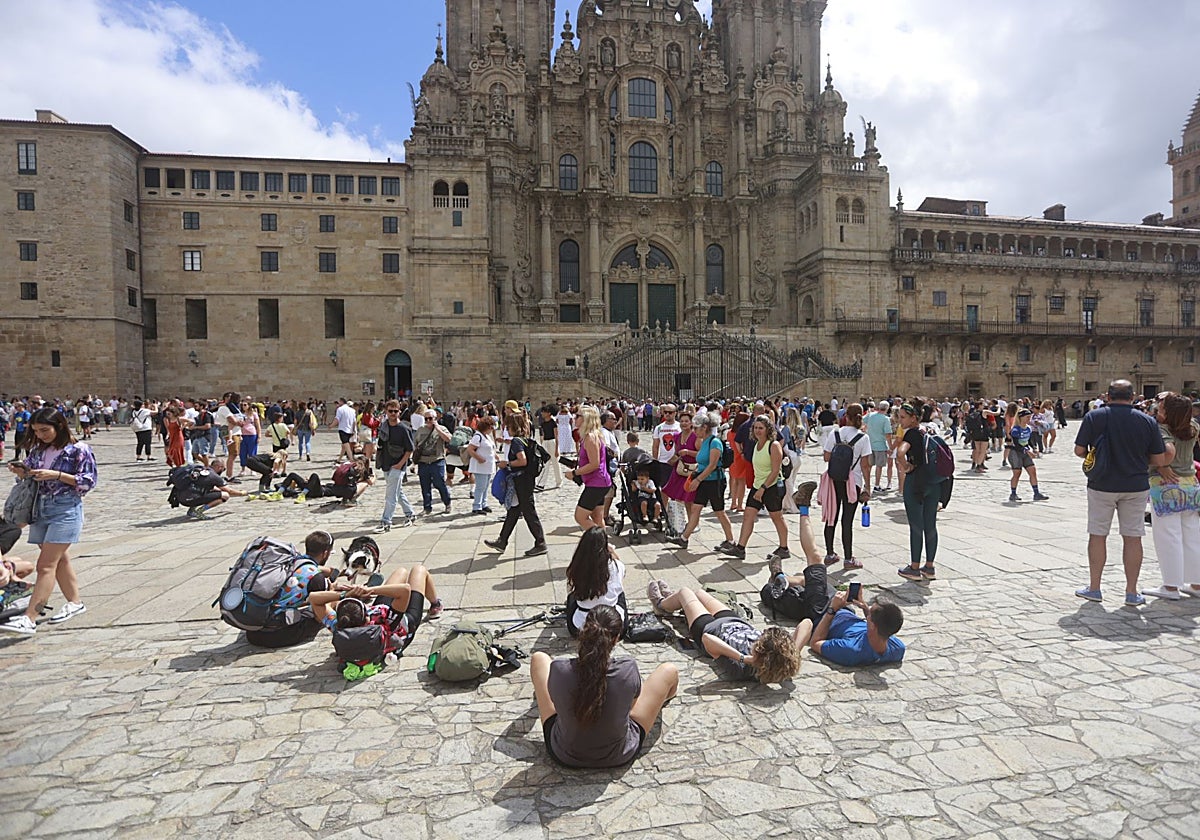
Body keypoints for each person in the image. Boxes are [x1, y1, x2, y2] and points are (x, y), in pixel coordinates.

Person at [530, 605, 677, 768]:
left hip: (564, 754)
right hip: (619, 754)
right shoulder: (627, 668)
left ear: (583, 632)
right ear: (616, 638)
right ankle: (667, 698)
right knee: (668, 670)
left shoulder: (559, 669)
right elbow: (631, 709)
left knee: (539, 659)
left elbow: (555, 702)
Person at [0, 409, 98, 636]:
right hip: (40, 508)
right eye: (36, 431)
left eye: (45, 430)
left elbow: (88, 481)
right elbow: (32, 475)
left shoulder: (78, 450)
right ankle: (75, 602)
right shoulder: (38, 449)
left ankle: (30, 617)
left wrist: (56, 475)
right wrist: (23, 472)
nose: (41, 435)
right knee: (60, 559)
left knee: (46, 566)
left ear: (60, 426)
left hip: (65, 509)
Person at [1073, 380, 1168, 606]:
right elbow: (1157, 458)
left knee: (1098, 534)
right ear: (1133, 396)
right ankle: (1131, 592)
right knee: (1133, 537)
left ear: (1107, 396)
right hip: (1135, 485)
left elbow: (1079, 450)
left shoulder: (1095, 417)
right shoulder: (1147, 421)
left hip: (1101, 484)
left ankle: (1094, 588)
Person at [646, 582, 805, 684]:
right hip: (734, 623)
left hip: (709, 628)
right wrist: (793, 653)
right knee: (700, 593)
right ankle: (674, 601)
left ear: (761, 653)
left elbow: (708, 640)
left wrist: (744, 658)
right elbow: (807, 624)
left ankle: (660, 605)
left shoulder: (741, 668)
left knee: (684, 591)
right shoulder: (782, 662)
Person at [308, 563, 444, 670]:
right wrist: (369, 590)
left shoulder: (338, 627)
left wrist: (343, 595)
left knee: (401, 572)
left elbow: (314, 599)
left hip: (387, 619)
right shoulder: (384, 619)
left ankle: (434, 603)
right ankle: (435, 604)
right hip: (403, 623)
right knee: (418, 570)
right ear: (367, 615)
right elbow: (405, 590)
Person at [1142, 392, 1200, 600]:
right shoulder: (1192, 426)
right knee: (1193, 536)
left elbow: (1168, 450)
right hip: (1192, 485)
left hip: (1167, 485)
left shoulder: (1162, 429)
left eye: (1162, 407)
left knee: (1169, 537)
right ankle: (1196, 583)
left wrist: (1163, 464)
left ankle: (1171, 586)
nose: (1159, 409)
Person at [245, 530, 341, 648]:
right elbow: (320, 609)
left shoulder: (291, 562)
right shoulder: (316, 577)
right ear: (325, 553)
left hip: (253, 632)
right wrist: (332, 591)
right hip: (277, 635)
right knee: (329, 602)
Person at [719, 415, 790, 561]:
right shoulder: (756, 444)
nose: (758, 431)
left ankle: (784, 548)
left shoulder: (774, 445)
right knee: (748, 516)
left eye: (761, 428)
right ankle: (740, 548)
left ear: (768, 429)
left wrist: (763, 488)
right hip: (758, 486)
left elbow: (775, 470)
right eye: (756, 428)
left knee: (776, 517)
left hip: (772, 487)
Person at [484, 413, 548, 556]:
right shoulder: (524, 440)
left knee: (528, 511)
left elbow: (522, 461)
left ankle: (540, 542)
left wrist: (506, 464)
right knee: (514, 510)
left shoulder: (517, 442)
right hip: (525, 479)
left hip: (522, 480)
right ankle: (502, 541)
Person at [894, 404, 944, 581]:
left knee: (916, 526)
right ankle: (929, 567)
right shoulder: (929, 429)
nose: (900, 421)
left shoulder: (912, 433)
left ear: (913, 417)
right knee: (930, 524)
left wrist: (906, 466)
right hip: (933, 481)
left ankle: (914, 568)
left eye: (902, 417)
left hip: (916, 482)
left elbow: (900, 453)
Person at [671, 414, 735, 552]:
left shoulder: (715, 442)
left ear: (704, 427)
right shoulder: (704, 441)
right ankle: (684, 538)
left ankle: (730, 540)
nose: (694, 430)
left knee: (719, 511)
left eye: (696, 427)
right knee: (696, 508)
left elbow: (712, 465)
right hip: (704, 481)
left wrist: (698, 480)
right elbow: (701, 457)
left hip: (714, 481)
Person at [820, 403, 872, 569]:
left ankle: (829, 554)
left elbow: (826, 457)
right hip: (853, 482)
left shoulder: (835, 433)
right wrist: (867, 487)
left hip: (834, 479)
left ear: (846, 417)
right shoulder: (863, 438)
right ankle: (848, 559)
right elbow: (865, 465)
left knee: (831, 517)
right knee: (847, 520)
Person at [564, 526, 627, 636]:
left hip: (580, 628)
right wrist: (612, 552)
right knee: (620, 593)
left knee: (572, 597)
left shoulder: (577, 567)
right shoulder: (615, 566)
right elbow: (622, 573)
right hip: (613, 628)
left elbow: (571, 589)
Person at [565, 405, 613, 532]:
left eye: (578, 416)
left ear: (586, 419)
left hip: (597, 483)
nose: (575, 418)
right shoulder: (588, 436)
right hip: (598, 482)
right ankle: (606, 549)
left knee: (580, 517)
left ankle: (601, 542)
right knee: (597, 518)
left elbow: (594, 464)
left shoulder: (590, 437)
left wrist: (574, 473)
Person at [374, 400, 417, 532]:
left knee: (390, 495)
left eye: (395, 411)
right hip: (386, 464)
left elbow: (410, 449)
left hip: (398, 466)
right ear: (386, 411)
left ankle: (386, 522)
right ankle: (410, 514)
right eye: (390, 411)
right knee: (398, 492)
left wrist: (400, 464)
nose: (393, 414)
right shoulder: (384, 427)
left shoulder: (404, 429)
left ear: (399, 412)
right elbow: (380, 445)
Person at [412, 409, 453, 515]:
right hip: (423, 462)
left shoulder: (442, 428)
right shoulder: (420, 430)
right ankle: (427, 507)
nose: (428, 421)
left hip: (437, 461)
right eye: (426, 419)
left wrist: (438, 429)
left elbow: (449, 439)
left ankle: (447, 502)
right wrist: (414, 462)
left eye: (430, 418)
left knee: (439, 483)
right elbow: (415, 446)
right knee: (425, 486)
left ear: (436, 418)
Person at [1006, 408, 1050, 502]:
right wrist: (1027, 450)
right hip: (1015, 453)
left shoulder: (1028, 428)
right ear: (1021, 417)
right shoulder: (1015, 429)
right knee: (1017, 473)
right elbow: (1016, 444)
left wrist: (1034, 448)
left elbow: (1029, 441)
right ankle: (1013, 493)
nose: (1028, 419)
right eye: (1027, 417)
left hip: (1025, 452)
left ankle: (1036, 493)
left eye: (1029, 417)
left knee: (1032, 471)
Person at [465, 414, 496, 515]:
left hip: (488, 466)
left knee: (486, 486)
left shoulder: (487, 436)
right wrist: (479, 458)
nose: (492, 429)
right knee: (480, 486)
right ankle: (477, 506)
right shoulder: (477, 436)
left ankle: (484, 503)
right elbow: (470, 449)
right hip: (480, 466)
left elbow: (490, 449)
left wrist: (496, 458)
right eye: (491, 426)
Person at [865, 400, 894, 492]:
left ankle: (867, 483)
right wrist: (890, 447)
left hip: (869, 444)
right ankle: (876, 485)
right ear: (887, 408)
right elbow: (888, 434)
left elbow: (862, 421)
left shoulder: (870, 415)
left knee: (869, 465)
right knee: (879, 466)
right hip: (880, 445)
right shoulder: (885, 419)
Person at [331, 398, 357, 462]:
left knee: (346, 445)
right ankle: (339, 459)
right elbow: (354, 421)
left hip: (343, 429)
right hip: (350, 430)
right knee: (344, 445)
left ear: (341, 402)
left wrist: (331, 425)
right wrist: (353, 430)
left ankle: (351, 459)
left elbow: (337, 419)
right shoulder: (352, 410)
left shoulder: (340, 409)